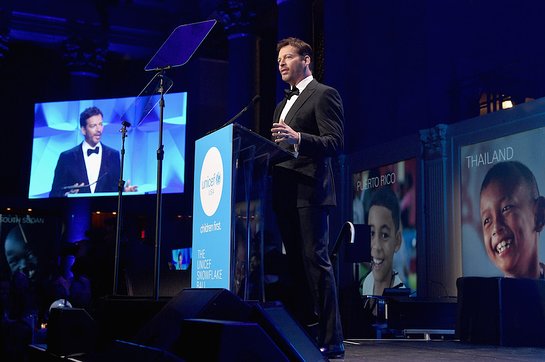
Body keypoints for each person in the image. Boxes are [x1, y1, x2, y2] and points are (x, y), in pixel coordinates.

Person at [270, 37, 344, 359]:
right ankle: (302, 336)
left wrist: (299, 137)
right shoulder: (279, 104)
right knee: (296, 268)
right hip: (284, 192)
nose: (281, 63)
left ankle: (332, 339)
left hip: (311, 191)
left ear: (306, 60)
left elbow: (334, 142)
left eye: (288, 57)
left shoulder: (324, 95)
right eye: (278, 60)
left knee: (316, 263)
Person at [49, 106, 137, 197]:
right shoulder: (66, 157)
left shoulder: (113, 155)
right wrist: (68, 195)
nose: (99, 130)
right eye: (93, 126)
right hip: (76, 210)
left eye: (100, 124)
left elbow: (114, 188)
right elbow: (54, 194)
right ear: (83, 130)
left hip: (106, 211)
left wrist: (124, 192)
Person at [479, 160, 545, 279]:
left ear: (539, 215)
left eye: (506, 208)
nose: (496, 227)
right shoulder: (485, 297)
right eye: (487, 220)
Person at [361, 187, 405, 297]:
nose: (376, 246)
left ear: (397, 241)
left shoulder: (401, 294)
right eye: (372, 233)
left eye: (384, 235)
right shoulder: (367, 282)